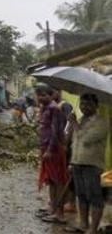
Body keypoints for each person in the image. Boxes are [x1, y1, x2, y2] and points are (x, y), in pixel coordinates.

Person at [64, 93, 108, 234]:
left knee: (94, 197)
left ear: (96, 106)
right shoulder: (81, 120)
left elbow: (87, 139)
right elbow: (74, 144)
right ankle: (83, 224)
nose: (84, 107)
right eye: (82, 104)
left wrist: (75, 124)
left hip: (92, 165)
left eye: (88, 104)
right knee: (81, 195)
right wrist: (72, 162)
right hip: (78, 163)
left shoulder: (102, 122)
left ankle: (93, 229)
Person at [34, 83, 69, 224]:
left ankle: (59, 213)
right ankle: (53, 209)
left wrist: (49, 150)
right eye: (38, 95)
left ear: (51, 95)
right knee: (50, 180)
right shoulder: (44, 109)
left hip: (54, 151)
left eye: (43, 95)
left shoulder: (55, 109)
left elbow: (55, 132)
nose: (40, 97)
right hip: (45, 149)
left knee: (58, 180)